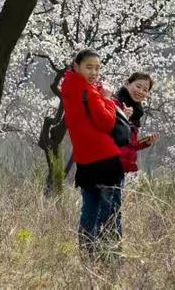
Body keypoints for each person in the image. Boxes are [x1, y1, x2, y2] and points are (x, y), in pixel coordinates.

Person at [61, 49, 123, 257]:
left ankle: (88, 256)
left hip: (85, 162)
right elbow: (106, 123)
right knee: (110, 213)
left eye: (97, 68)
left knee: (89, 211)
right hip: (105, 161)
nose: (94, 72)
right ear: (76, 65)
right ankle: (110, 258)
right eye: (89, 67)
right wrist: (108, 100)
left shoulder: (68, 87)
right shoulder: (88, 91)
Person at [112, 72, 159, 237]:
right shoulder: (115, 103)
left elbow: (128, 143)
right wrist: (123, 117)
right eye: (138, 86)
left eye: (145, 89)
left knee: (115, 210)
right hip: (109, 164)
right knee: (110, 211)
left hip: (121, 167)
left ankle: (112, 252)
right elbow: (109, 133)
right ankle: (107, 251)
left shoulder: (136, 112)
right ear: (127, 83)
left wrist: (145, 143)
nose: (141, 91)